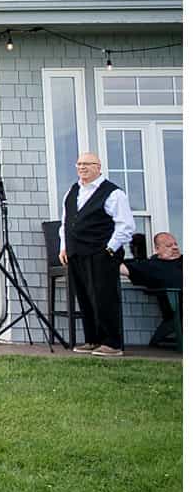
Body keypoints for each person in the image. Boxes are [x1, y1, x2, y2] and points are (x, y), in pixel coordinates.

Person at [57, 152, 134, 357]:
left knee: (104, 296)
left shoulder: (113, 193)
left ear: (98, 167)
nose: (82, 168)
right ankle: (92, 340)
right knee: (85, 296)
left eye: (88, 164)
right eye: (79, 164)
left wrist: (110, 248)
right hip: (76, 253)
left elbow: (125, 225)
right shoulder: (72, 192)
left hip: (102, 253)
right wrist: (64, 247)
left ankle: (112, 343)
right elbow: (65, 223)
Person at [123, 232, 182, 349]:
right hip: (179, 308)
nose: (175, 247)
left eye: (176, 244)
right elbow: (121, 268)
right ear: (157, 249)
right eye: (169, 245)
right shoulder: (151, 266)